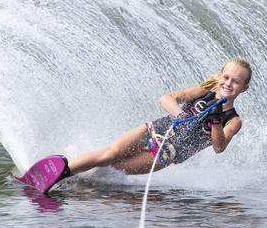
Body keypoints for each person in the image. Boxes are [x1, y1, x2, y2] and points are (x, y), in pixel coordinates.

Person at [63, 57, 252, 177]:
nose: (228, 83)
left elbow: (219, 147)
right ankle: (63, 172)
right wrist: (181, 114)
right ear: (220, 76)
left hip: (166, 154)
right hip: (153, 131)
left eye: (235, 82)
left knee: (113, 168)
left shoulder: (233, 120)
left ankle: (78, 183)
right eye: (226, 77)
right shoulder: (203, 91)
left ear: (243, 88)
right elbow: (166, 99)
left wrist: (216, 121)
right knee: (109, 154)